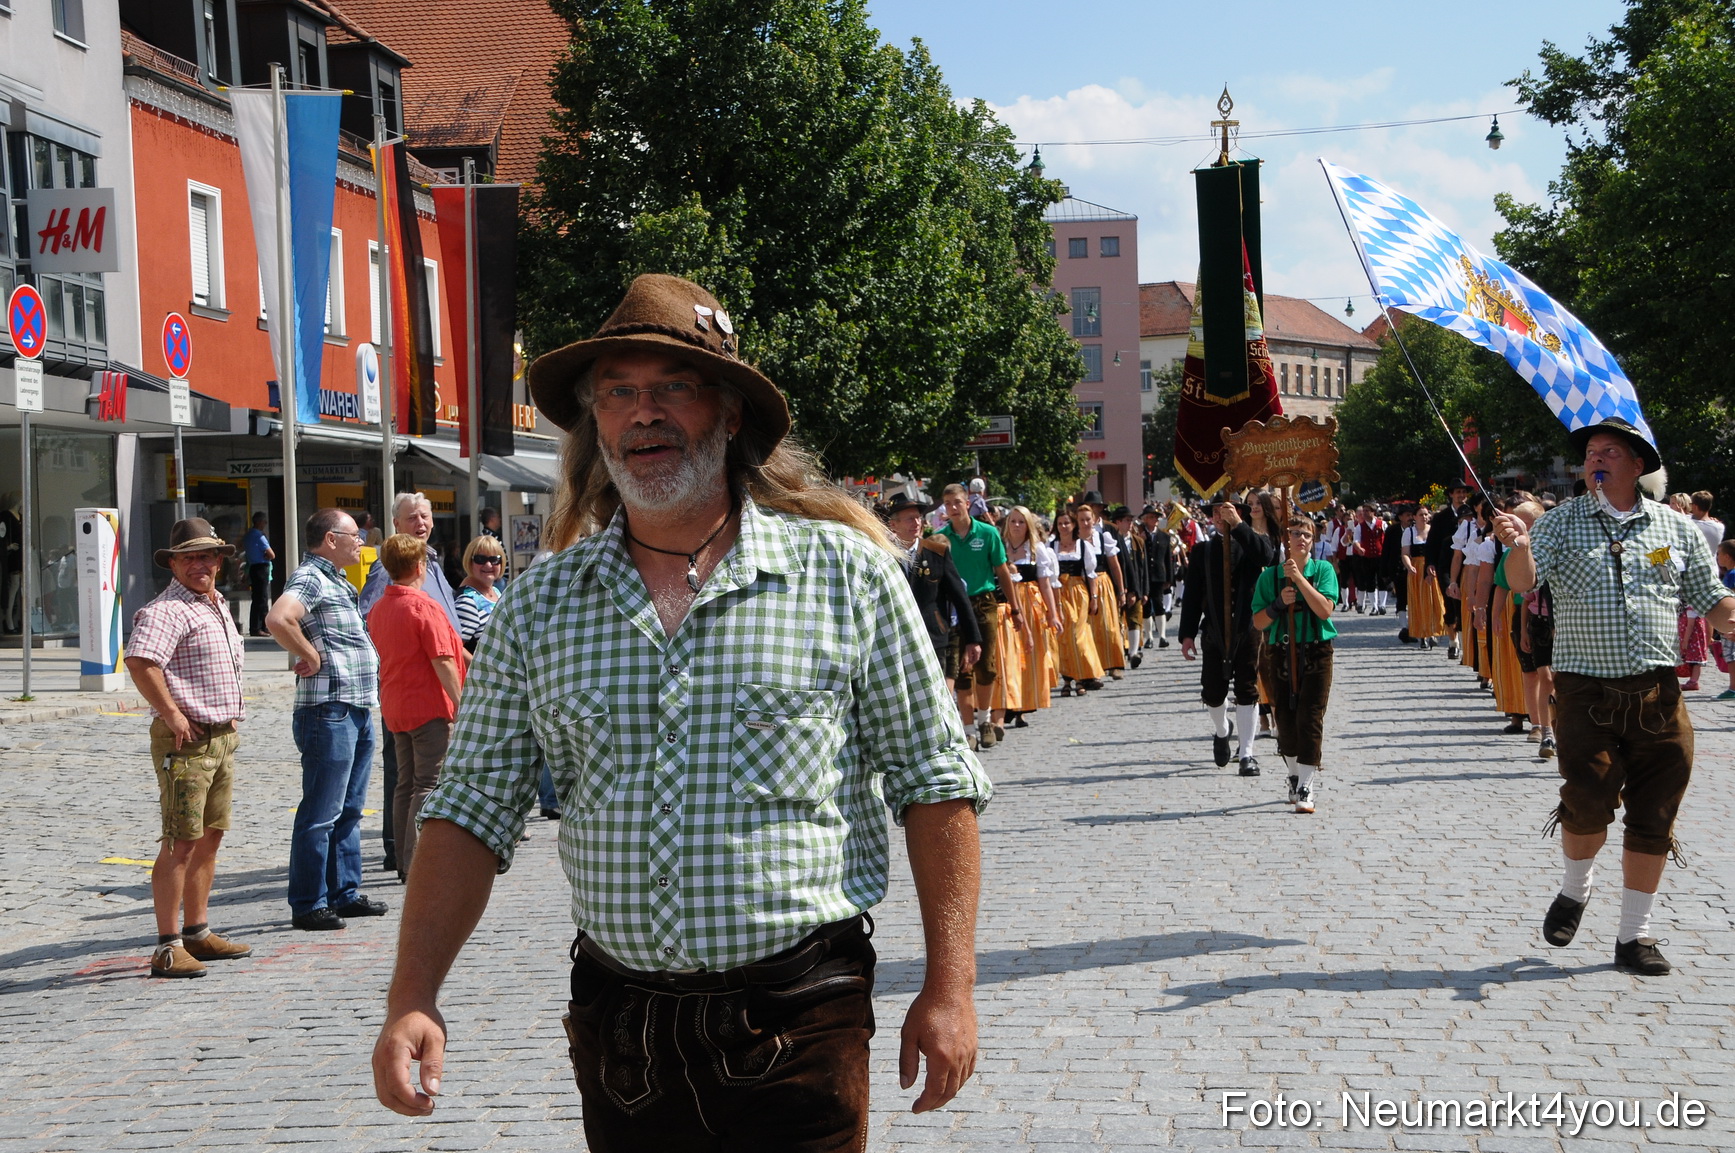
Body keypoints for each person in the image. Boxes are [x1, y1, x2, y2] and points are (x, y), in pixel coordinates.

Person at [371, 273, 992, 1144]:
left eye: (672, 387)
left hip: (799, 1014)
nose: (642, 412)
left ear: (730, 412)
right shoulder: (542, 603)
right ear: (597, 422)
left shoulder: (843, 574)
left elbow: (936, 784)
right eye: (619, 392)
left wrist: (949, 985)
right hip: (623, 1031)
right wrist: (412, 995)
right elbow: (468, 811)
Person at [1498, 417, 1735, 976]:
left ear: (1637, 464)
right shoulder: (1559, 525)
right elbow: (1522, 581)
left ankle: (1635, 937)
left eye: (1609, 451)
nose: (1595, 460)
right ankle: (1575, 890)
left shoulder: (1674, 531)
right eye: (1590, 453)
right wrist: (1519, 545)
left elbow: (1714, 605)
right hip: (1585, 691)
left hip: (1658, 692)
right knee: (1587, 799)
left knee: (1655, 813)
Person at [124, 518, 253, 978]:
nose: (201, 564)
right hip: (187, 738)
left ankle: (198, 931)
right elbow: (140, 662)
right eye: (190, 557)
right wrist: (174, 713)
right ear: (173, 563)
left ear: (219, 561)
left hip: (219, 735)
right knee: (180, 841)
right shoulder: (167, 610)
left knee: (209, 836)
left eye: (208, 556)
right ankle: (167, 944)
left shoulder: (214, 603)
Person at [264, 509, 390, 931]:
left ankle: (344, 892)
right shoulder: (312, 576)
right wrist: (309, 654)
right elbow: (279, 617)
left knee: (350, 809)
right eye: (356, 535)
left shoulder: (336, 578)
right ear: (331, 538)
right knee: (322, 812)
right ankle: (309, 902)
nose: (363, 542)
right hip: (328, 708)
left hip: (354, 705)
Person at [362, 492, 462, 874]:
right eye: (412, 517)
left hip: (398, 700)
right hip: (426, 703)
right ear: (417, 564)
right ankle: (419, 862)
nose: (421, 522)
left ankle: (405, 859)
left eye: (424, 515)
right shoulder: (421, 605)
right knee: (427, 782)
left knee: (406, 783)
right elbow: (442, 659)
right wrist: (462, 704)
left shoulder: (385, 604)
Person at [1179, 494, 1275, 776]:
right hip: (1215, 632)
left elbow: (1266, 556)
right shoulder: (1202, 551)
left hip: (1248, 628)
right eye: (1217, 514)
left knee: (1247, 690)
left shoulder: (1253, 543)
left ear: (1240, 515)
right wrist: (1187, 635)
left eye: (1228, 512)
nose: (1221, 518)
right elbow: (1193, 596)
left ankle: (1247, 754)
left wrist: (1240, 526)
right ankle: (1222, 730)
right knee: (1212, 691)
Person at [1250, 516, 1338, 814]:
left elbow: (1325, 610)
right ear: (1285, 540)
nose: (1301, 538)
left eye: (1307, 535)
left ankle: (1306, 786)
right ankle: (1293, 774)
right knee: (1285, 720)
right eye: (1295, 533)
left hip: (1316, 651)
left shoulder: (1323, 570)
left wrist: (1299, 580)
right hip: (1280, 651)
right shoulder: (1269, 577)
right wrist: (1277, 604)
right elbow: (1259, 620)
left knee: (1310, 718)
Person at [885, 492, 983, 743]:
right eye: (908, 519)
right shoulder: (881, 554)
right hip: (895, 637)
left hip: (933, 634)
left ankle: (940, 739)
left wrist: (973, 639)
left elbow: (960, 597)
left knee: (934, 690)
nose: (915, 523)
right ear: (892, 524)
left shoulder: (937, 552)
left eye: (918, 518)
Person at [939, 482, 1024, 749]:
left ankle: (985, 719)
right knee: (962, 669)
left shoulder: (987, 533)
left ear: (968, 503)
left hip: (983, 602)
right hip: (954, 606)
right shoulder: (941, 538)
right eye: (948, 503)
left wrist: (1016, 608)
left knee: (985, 666)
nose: (953, 508)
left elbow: (1002, 572)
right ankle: (967, 729)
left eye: (957, 502)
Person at [1004, 506, 1060, 718]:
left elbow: (1045, 584)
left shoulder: (1037, 550)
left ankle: (1025, 701)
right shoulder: (1001, 546)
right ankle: (1009, 699)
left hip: (1030, 603)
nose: (1016, 526)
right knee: (1009, 652)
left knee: (1028, 652)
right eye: (1013, 521)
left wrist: (1053, 613)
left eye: (1021, 522)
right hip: (1008, 604)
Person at [1050, 509, 1105, 696]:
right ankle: (1067, 679)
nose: (1064, 527)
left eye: (1067, 523)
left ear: (1073, 525)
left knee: (1077, 634)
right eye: (1060, 524)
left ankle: (1082, 677)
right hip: (1058, 593)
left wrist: (1094, 598)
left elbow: (1091, 575)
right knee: (1063, 637)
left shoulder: (1083, 546)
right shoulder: (1051, 546)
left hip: (1078, 592)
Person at [1075, 495, 1126, 679]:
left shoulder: (1103, 537)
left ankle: (1113, 664)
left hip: (1102, 581)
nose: (1086, 523)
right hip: (1080, 585)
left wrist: (1121, 590)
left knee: (1108, 626)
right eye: (1082, 520)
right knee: (1086, 627)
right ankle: (1091, 667)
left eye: (1088, 519)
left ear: (1094, 519)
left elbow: (1114, 565)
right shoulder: (1073, 540)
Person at [1426, 481, 1471, 657]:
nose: (1461, 495)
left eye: (1464, 492)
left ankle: (1465, 643)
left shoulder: (1472, 514)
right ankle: (1454, 642)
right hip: (1444, 564)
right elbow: (1432, 543)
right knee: (1450, 602)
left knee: (1464, 606)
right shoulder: (1441, 517)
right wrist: (1430, 563)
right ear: (1451, 494)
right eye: (1458, 492)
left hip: (1468, 566)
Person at [454, 535, 506, 654]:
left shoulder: (497, 593)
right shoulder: (467, 600)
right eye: (480, 559)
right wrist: (480, 669)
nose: (488, 565)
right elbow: (456, 647)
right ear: (470, 562)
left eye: (494, 559)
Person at [241, 512, 275, 637]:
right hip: (261, 567)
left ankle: (258, 626)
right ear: (259, 522)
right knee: (262, 599)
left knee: (257, 599)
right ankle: (259, 627)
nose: (265, 524)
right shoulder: (259, 536)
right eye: (264, 522)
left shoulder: (248, 535)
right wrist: (266, 556)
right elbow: (271, 554)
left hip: (253, 568)